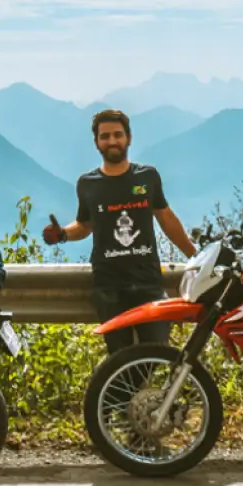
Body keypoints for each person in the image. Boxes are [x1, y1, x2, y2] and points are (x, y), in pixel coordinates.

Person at [43, 108, 196, 353]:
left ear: (129, 138)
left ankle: (131, 393)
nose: (112, 141)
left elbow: (166, 219)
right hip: (109, 288)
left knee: (156, 354)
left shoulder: (147, 177)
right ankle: (119, 393)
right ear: (96, 143)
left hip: (148, 284)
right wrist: (61, 234)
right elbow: (84, 225)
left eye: (117, 134)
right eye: (105, 136)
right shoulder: (87, 184)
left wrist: (195, 257)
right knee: (120, 360)